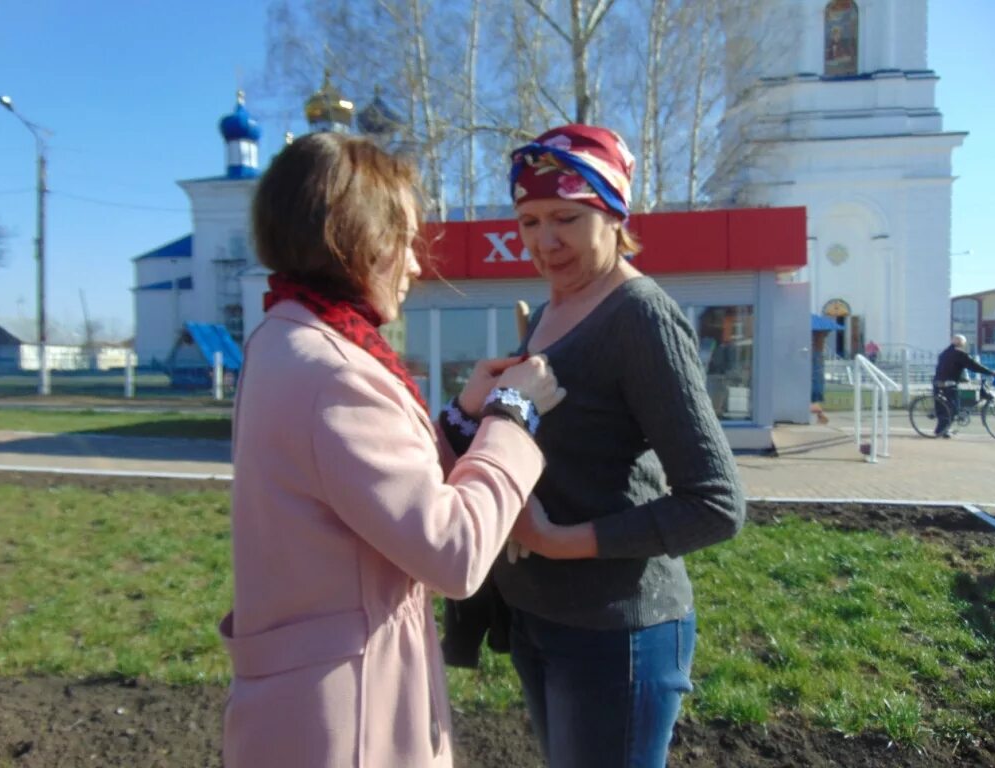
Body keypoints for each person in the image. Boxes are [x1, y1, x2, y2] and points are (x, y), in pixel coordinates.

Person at [219, 132, 565, 767]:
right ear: (354, 238)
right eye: (403, 239)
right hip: (346, 723)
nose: (413, 263)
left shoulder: (286, 336)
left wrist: (464, 419)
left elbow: (361, 480)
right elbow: (454, 551)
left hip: (310, 704)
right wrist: (514, 414)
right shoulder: (333, 370)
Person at [445, 125, 746, 767]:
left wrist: (558, 540)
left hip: (618, 632)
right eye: (528, 221)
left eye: (566, 218)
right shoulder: (552, 309)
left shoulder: (640, 316)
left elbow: (716, 504)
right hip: (538, 615)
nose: (544, 241)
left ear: (612, 214)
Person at [932, 334, 995, 438]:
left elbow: (950, 368)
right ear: (962, 344)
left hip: (938, 383)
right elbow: (974, 366)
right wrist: (991, 372)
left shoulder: (944, 353)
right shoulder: (960, 354)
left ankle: (943, 430)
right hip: (948, 384)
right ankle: (942, 431)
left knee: (946, 409)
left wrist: (964, 379)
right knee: (951, 408)